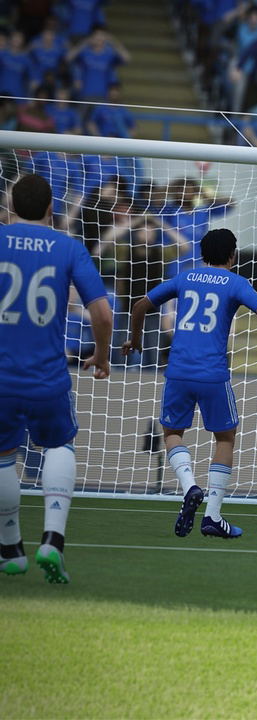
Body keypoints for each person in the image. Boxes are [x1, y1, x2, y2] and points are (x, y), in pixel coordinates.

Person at [122, 229, 257, 540]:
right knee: (225, 438)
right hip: (213, 374)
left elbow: (140, 305)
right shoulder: (236, 282)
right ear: (233, 256)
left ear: (202, 253)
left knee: (172, 433)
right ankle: (212, 516)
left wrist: (135, 340)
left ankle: (189, 486)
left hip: (178, 372)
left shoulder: (185, 277)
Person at [0, 174, 112, 583]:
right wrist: (101, 355)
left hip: (1, 377)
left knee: (3, 457)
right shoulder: (68, 247)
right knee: (59, 445)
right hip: (48, 376)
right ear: (51, 208)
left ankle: (10, 548)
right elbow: (102, 314)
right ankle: (52, 539)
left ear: (11, 206)